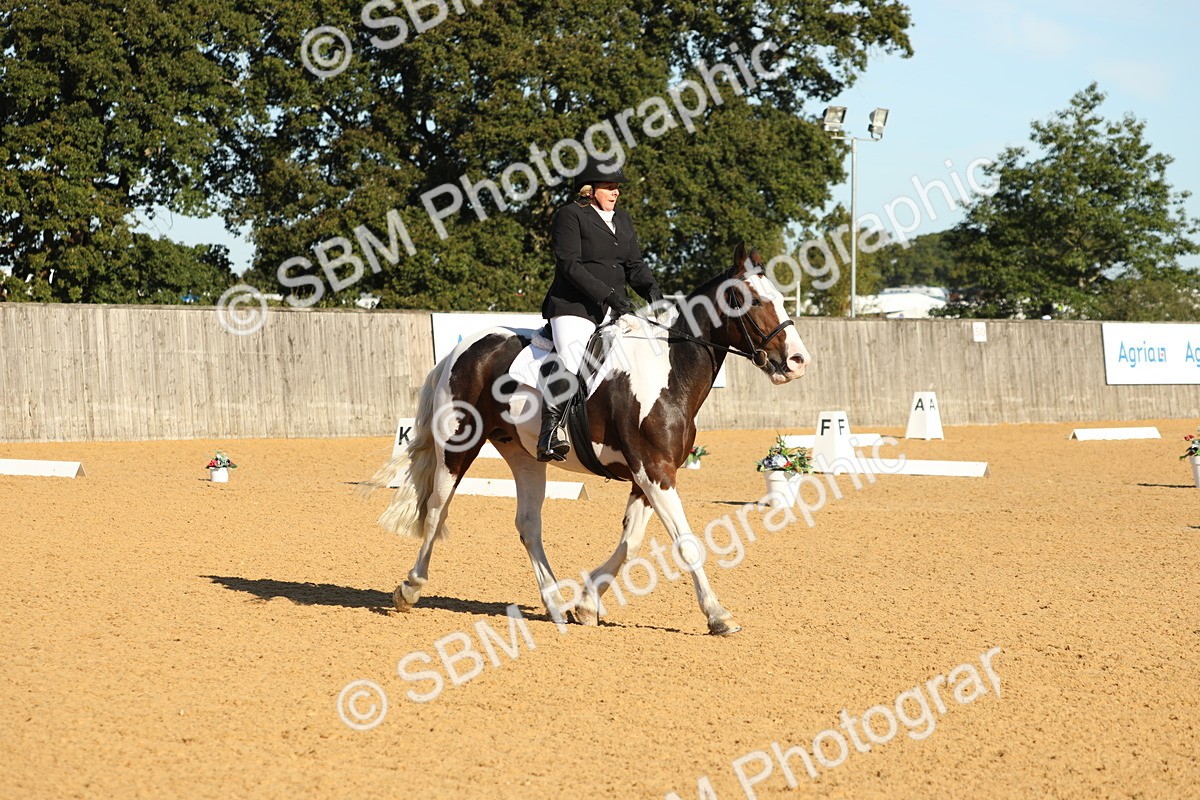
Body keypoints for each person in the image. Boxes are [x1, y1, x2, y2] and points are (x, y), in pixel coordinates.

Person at [536, 158, 663, 462]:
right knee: (573, 357)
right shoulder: (570, 215)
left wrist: (651, 290)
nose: (615, 192)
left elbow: (634, 265)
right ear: (590, 190)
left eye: (617, 187)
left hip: (613, 308)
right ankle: (550, 432)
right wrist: (607, 295)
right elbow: (569, 264)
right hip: (574, 306)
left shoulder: (623, 220)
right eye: (609, 186)